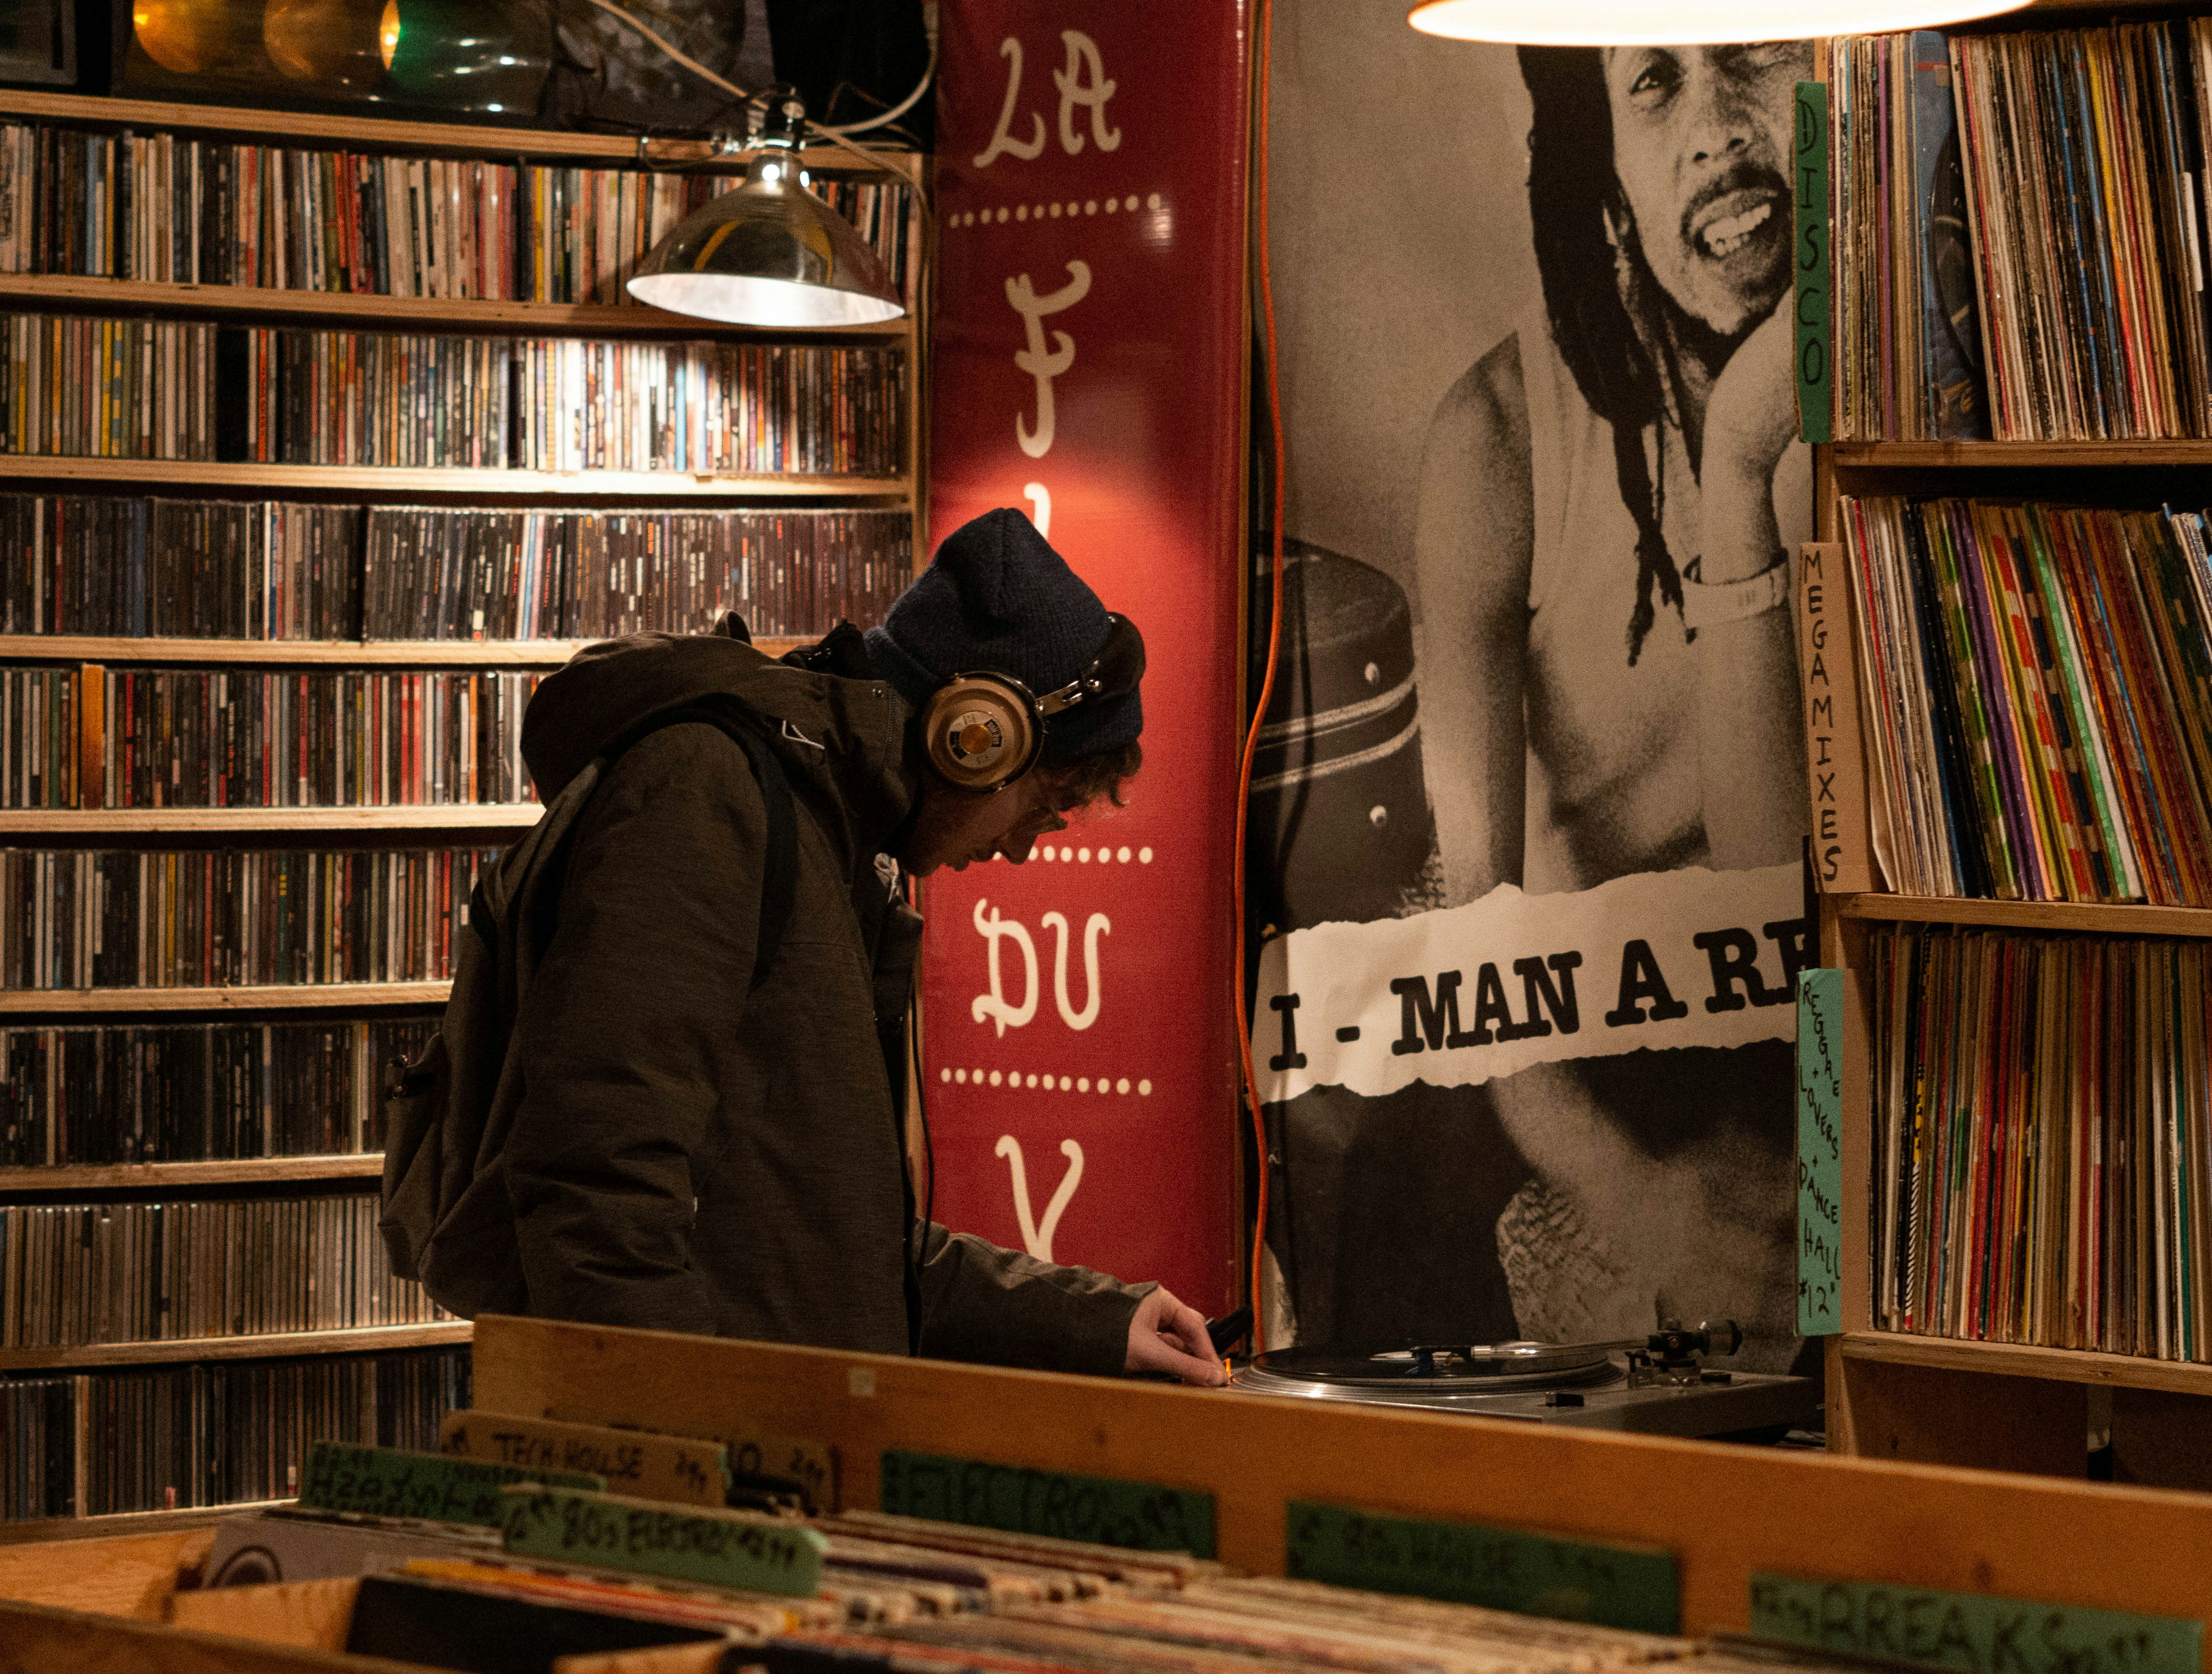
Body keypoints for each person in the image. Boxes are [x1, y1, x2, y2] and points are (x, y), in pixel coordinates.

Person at [482, 507, 1227, 1385]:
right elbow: (596, 1189)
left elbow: (839, 1254)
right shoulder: (707, 791)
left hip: (776, 1462)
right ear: (975, 739)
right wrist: (684, 1469)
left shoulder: (834, 840)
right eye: (1043, 804)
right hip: (717, 1479)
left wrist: (1096, 1321)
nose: (1025, 845)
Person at [1410, 41, 1811, 1356]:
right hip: (1613, 1077)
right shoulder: (1504, 438)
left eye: (1748, 63)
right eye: (1656, 86)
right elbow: (1476, 930)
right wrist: (1634, 1199)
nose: (1718, 130)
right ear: (1606, 173)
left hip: (1864, 1013)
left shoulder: (1915, 359)